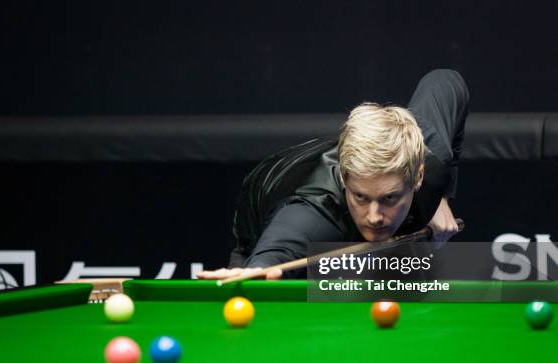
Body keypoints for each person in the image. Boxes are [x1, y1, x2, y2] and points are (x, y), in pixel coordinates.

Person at [197, 69, 469, 280]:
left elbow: (446, 80)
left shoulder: (431, 158)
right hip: (264, 212)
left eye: (389, 198)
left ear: (418, 177)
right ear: (344, 177)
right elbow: (280, 248)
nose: (374, 216)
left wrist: (441, 195)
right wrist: (259, 265)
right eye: (361, 197)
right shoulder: (315, 209)